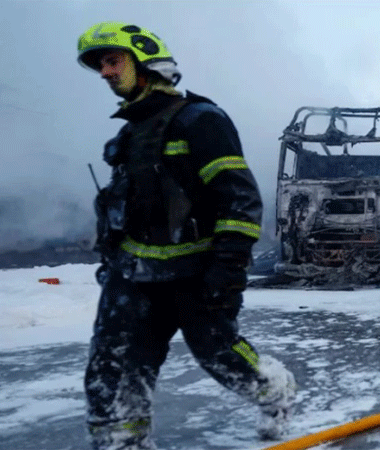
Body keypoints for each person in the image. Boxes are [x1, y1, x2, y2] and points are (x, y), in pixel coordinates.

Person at [77, 22, 297, 449]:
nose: (105, 73)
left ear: (145, 62)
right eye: (100, 65)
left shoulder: (200, 121)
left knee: (221, 356)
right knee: (114, 365)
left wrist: (227, 269)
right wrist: (112, 263)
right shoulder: (129, 134)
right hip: (133, 274)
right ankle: (122, 442)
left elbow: (240, 200)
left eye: (112, 61)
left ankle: (275, 390)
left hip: (196, 272)